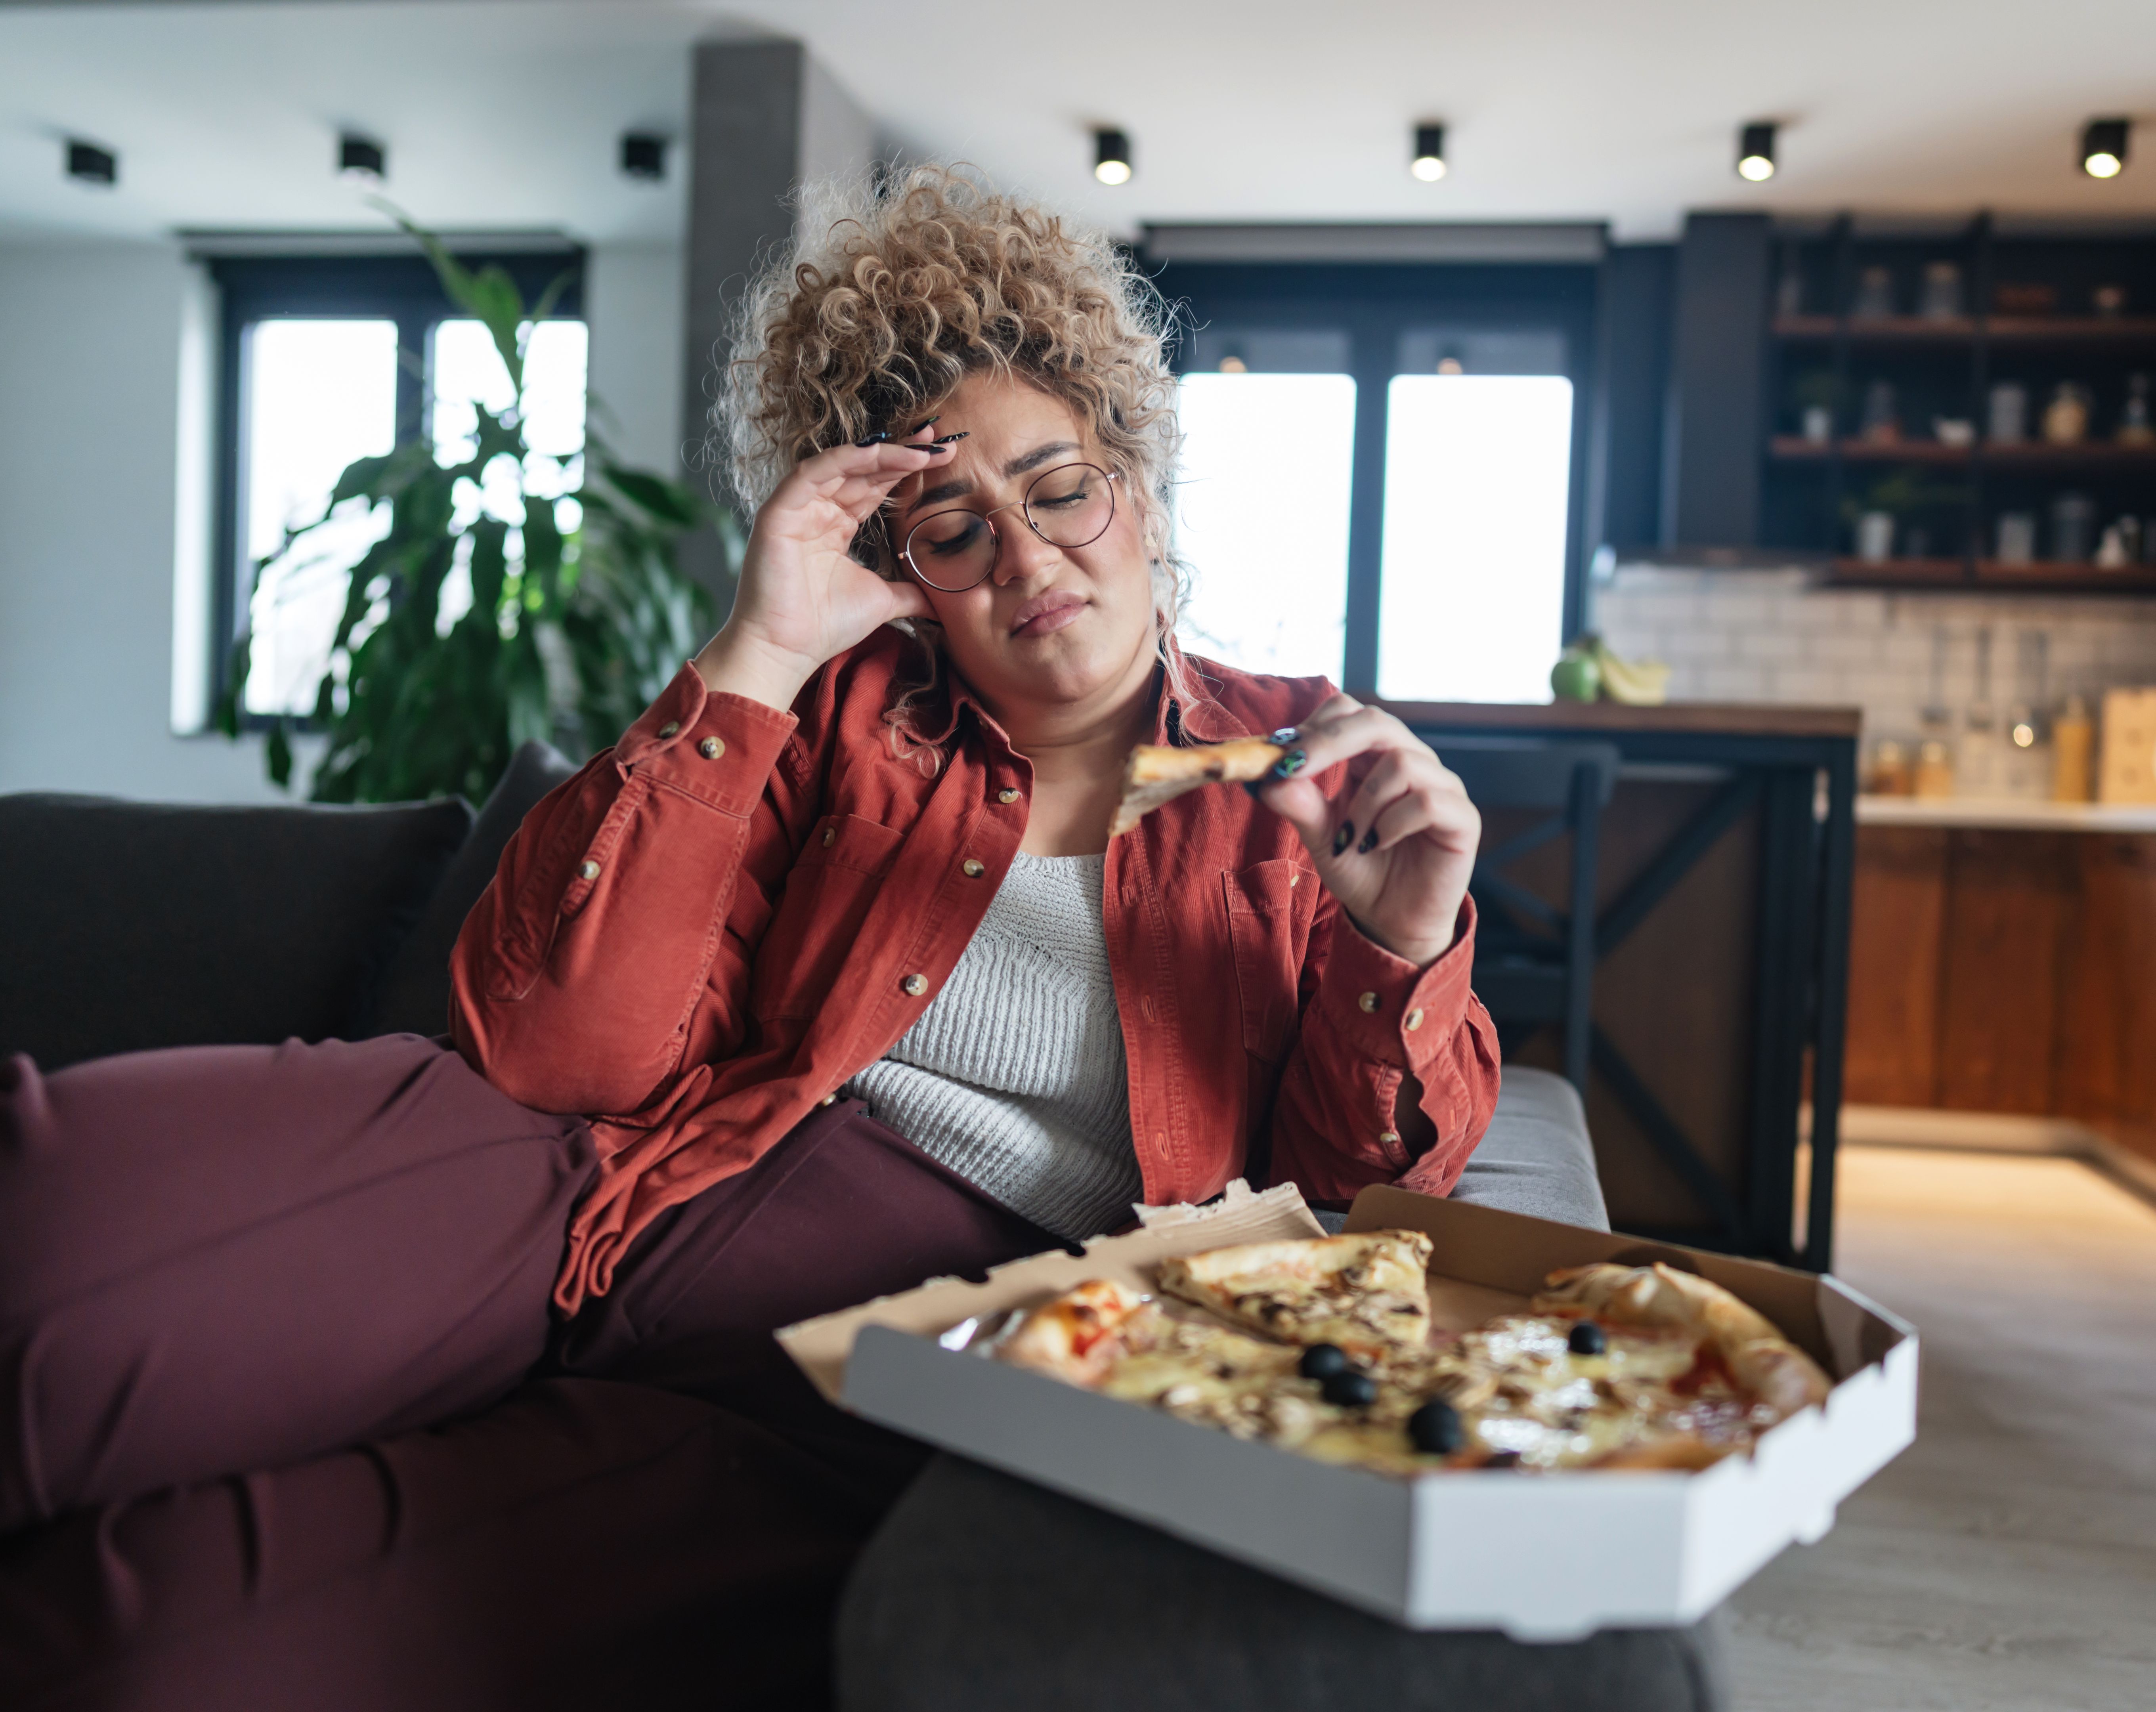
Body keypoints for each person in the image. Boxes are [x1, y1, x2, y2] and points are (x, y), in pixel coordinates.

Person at [0, 166, 1497, 1707]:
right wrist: (761, 648)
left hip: (842, 1382)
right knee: (46, 1253)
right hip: (578, 1196)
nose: (1029, 562)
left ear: (1135, 467)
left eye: (1059, 489)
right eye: (951, 528)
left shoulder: (1303, 778)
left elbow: (1348, 1224)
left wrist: (1405, 945)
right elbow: (555, 1051)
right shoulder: (825, 711)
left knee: (150, 1646)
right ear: (900, 572)